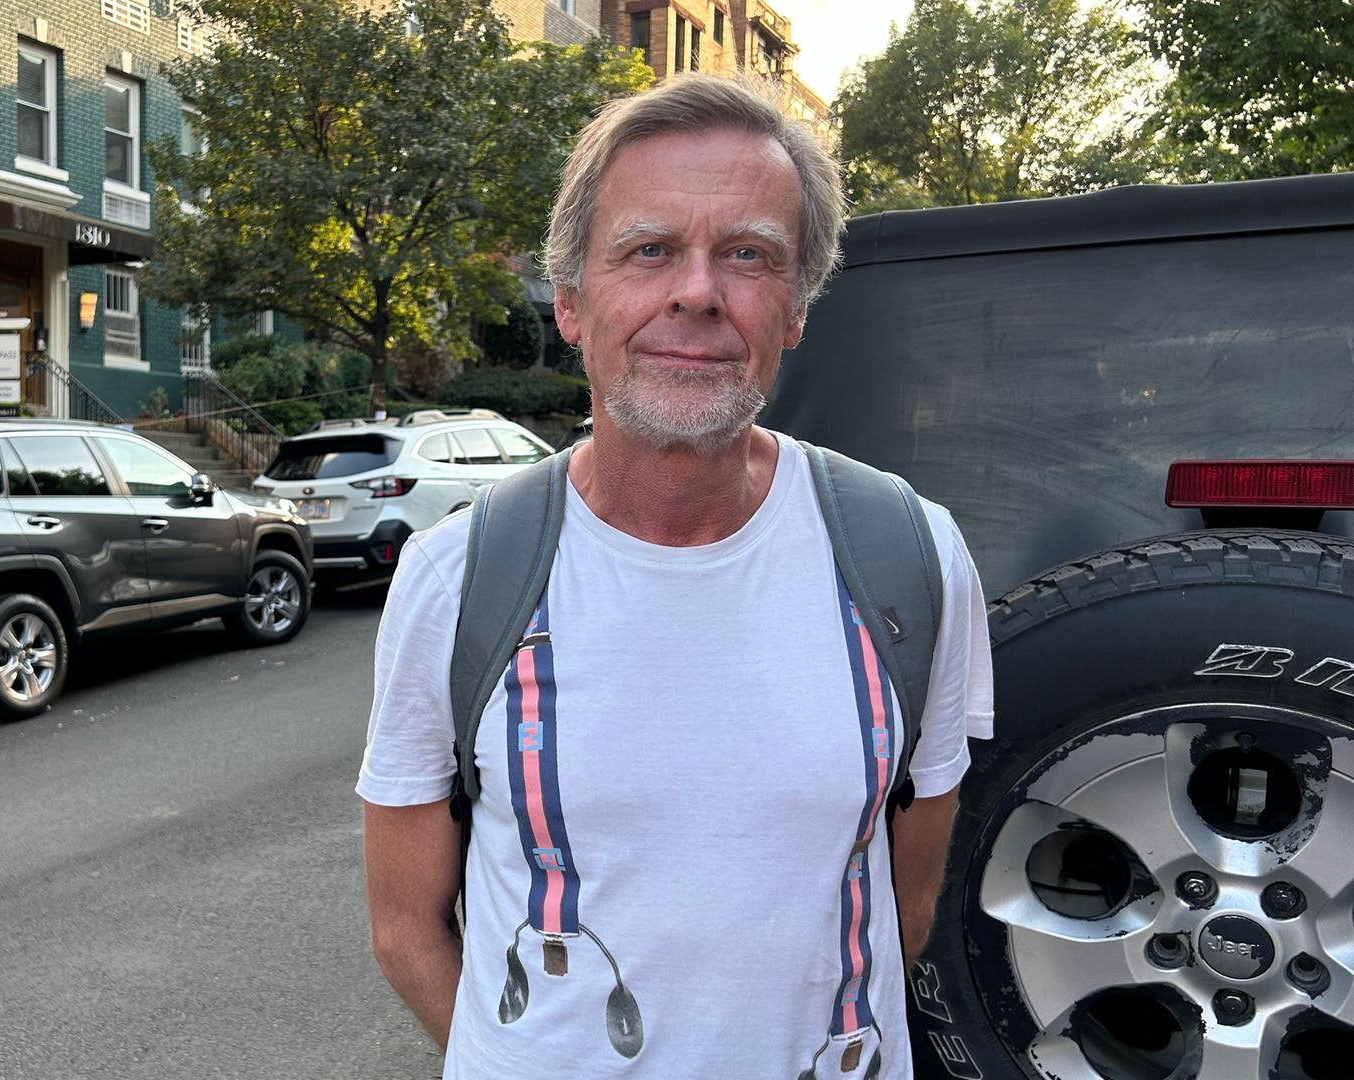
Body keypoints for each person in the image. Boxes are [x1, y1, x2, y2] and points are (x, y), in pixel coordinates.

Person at [357, 74, 994, 1078]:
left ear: (793, 310)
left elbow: (905, 902)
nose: (697, 292)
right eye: (649, 250)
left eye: (747, 255)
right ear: (571, 302)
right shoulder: (458, 579)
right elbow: (405, 931)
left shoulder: (912, 558)